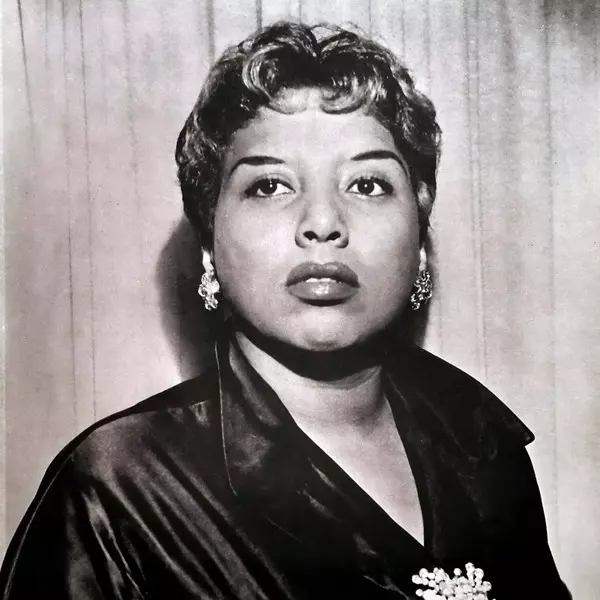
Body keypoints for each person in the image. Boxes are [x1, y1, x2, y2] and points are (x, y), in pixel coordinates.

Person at [0, 21, 570, 600]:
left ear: (420, 238)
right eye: (270, 186)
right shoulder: (116, 489)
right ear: (209, 244)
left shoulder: (481, 441)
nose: (322, 223)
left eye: (367, 184)